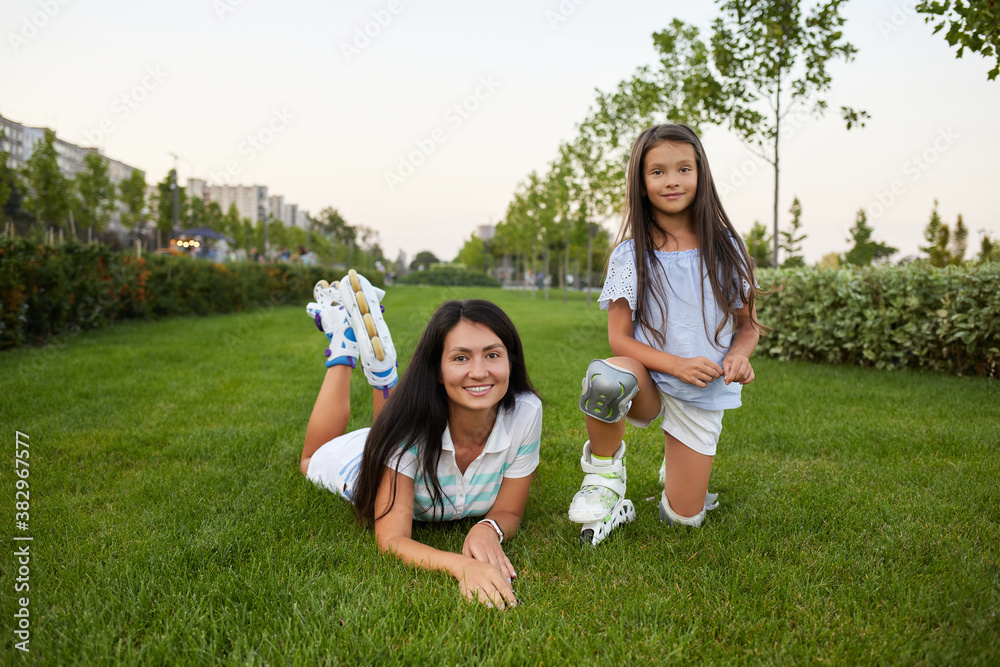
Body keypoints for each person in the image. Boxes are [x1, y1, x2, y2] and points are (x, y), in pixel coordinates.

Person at [568, 123, 765, 545]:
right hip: (650, 382)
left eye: (683, 169)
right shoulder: (630, 254)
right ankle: (605, 482)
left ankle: (677, 475)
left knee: (682, 522)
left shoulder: (728, 248)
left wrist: (738, 356)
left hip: (703, 390)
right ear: (641, 183)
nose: (671, 180)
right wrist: (675, 364)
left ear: (701, 175)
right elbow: (620, 340)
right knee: (606, 376)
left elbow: (747, 328)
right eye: (657, 172)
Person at [299, 271, 542, 609]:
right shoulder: (409, 430)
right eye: (460, 358)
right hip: (359, 461)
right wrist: (463, 566)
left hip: (397, 437)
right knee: (309, 461)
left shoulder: (526, 412)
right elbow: (393, 539)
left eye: (492, 354)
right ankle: (342, 341)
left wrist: (488, 528)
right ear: (437, 372)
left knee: (391, 429)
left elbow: (509, 510)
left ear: (511, 362)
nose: (479, 371)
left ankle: (380, 378)